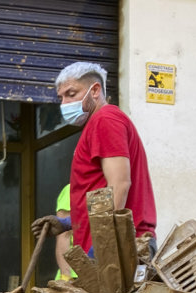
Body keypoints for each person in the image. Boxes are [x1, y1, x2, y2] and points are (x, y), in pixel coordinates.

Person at [32, 62, 156, 256]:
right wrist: (68, 223)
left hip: (119, 247)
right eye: (61, 97)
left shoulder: (105, 120)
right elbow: (100, 193)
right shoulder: (97, 125)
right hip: (112, 244)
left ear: (95, 90)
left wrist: (103, 245)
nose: (64, 103)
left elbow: (120, 185)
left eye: (71, 94)